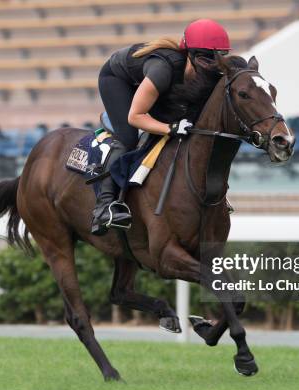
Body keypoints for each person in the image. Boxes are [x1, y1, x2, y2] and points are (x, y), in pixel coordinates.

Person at [92, 19, 231, 236]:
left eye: (219, 57)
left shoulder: (205, 72)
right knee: (128, 138)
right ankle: (104, 206)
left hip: (151, 85)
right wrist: (169, 128)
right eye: (206, 58)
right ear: (190, 55)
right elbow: (136, 116)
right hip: (117, 79)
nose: (213, 65)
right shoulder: (164, 69)